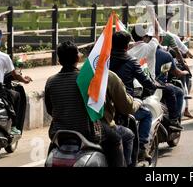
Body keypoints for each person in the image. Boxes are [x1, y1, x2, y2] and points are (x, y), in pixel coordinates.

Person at [45, 41, 126, 167]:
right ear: (78, 58)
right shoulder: (88, 79)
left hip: (58, 133)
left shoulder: (50, 81)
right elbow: (98, 109)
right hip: (88, 132)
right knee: (116, 139)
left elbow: (50, 109)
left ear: (59, 60)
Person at [109, 31, 156, 161]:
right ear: (126, 46)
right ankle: (141, 147)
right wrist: (154, 85)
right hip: (125, 103)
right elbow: (145, 80)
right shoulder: (131, 61)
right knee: (147, 114)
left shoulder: (103, 60)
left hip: (106, 106)